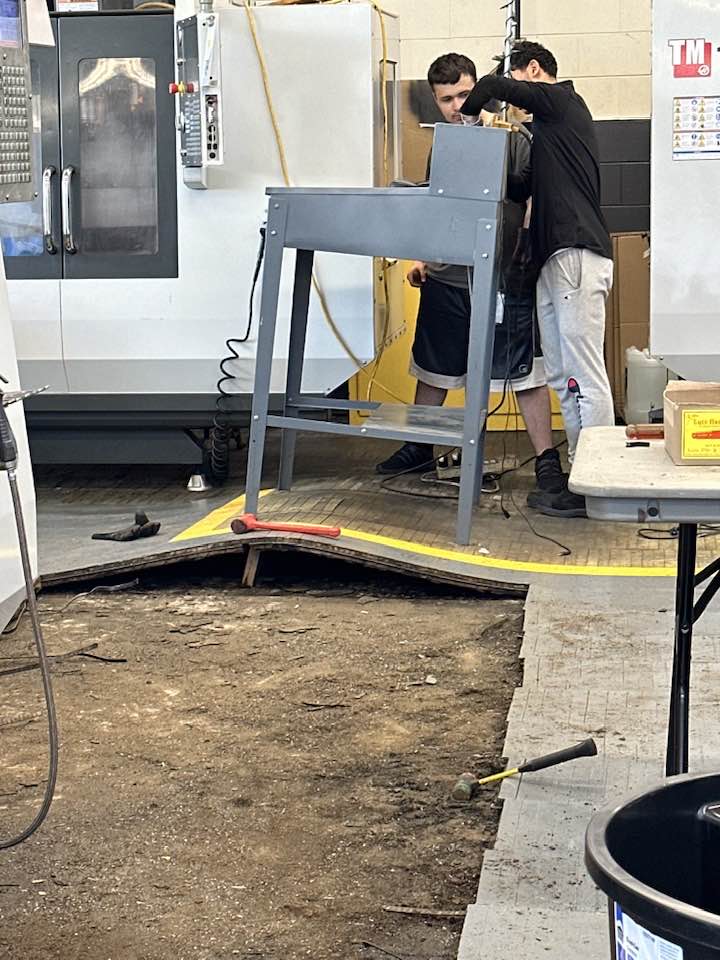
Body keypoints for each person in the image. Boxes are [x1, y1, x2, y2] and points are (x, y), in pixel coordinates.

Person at [376, 52, 565, 504]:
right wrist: (423, 258)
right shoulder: (441, 145)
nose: (457, 105)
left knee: (524, 369)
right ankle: (421, 445)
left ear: (480, 89)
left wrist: (525, 254)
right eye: (446, 99)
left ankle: (546, 461)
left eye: (464, 94)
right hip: (450, 275)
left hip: (503, 276)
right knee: (435, 366)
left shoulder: (515, 139)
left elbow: (536, 197)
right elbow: (435, 206)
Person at [461, 40, 615, 519]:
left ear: (533, 70)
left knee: (584, 375)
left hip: (576, 254)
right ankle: (578, 478)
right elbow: (521, 187)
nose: (512, 101)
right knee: (562, 376)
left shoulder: (564, 101)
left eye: (518, 85)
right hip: (553, 261)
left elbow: (488, 86)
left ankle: (601, 481)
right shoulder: (550, 134)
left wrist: (472, 115)